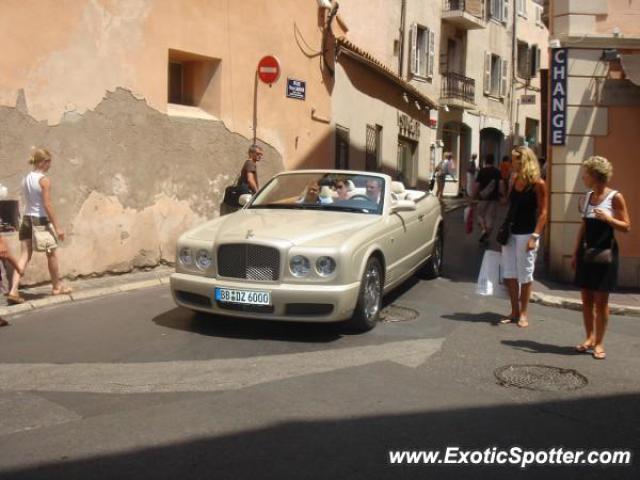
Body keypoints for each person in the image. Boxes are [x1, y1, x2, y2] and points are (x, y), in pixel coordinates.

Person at [572, 156, 630, 360]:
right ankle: (589, 337)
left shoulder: (615, 197)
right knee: (586, 299)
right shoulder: (587, 196)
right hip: (586, 253)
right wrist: (575, 252)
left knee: (601, 302)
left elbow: (626, 226)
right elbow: (584, 226)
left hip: (606, 254)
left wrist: (608, 219)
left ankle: (599, 343)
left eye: (586, 173)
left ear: (595, 175)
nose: (583, 177)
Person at [7, 148, 71, 304]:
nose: (50, 166)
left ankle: (13, 290)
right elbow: (47, 204)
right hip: (40, 220)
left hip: (27, 219)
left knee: (24, 256)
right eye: (49, 162)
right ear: (44, 162)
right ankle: (57, 287)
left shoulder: (26, 179)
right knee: (52, 253)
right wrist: (58, 227)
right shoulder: (44, 180)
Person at [500, 146, 548, 328]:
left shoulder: (538, 184)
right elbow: (510, 206)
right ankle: (514, 311)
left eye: (514, 160)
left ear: (524, 161)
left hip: (527, 233)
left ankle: (524, 313)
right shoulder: (514, 179)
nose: (511, 163)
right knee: (510, 274)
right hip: (511, 232)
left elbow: (544, 213)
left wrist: (535, 236)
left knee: (525, 275)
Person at [474, 154, 502, 244]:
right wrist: (503, 195)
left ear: (485, 161)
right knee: (490, 217)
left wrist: (474, 195)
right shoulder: (497, 172)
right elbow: (501, 184)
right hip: (494, 197)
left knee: (479, 214)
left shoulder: (482, 171)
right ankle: (486, 236)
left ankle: (483, 230)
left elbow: (477, 185)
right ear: (493, 161)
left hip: (483, 197)